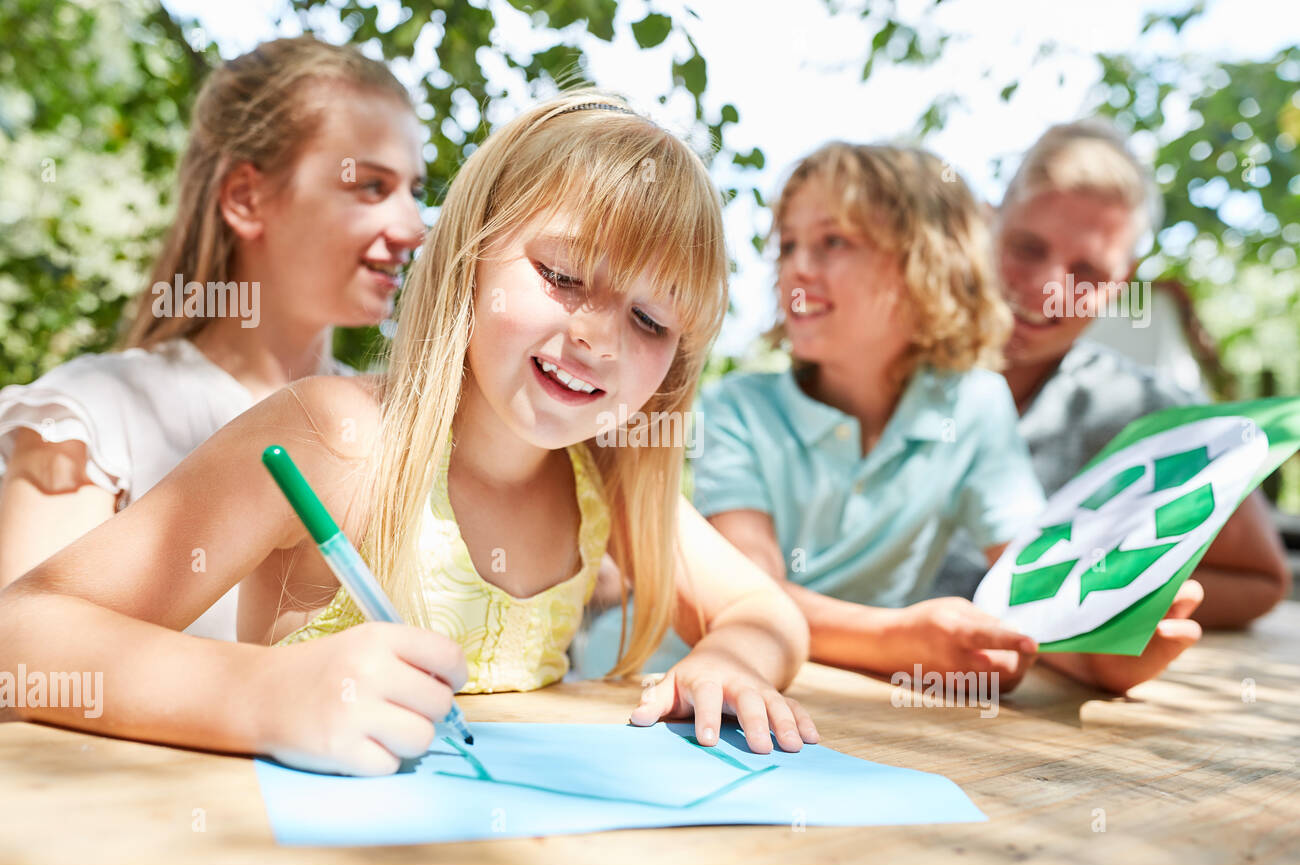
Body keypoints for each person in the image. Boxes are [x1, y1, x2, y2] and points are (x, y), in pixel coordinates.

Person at [0, 91, 818, 776]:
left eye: (648, 319)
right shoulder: (336, 437)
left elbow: (760, 606)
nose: (600, 339)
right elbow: (21, 637)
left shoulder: (604, 480)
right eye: (563, 276)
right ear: (468, 255)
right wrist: (260, 695)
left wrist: (731, 659)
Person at [692, 141, 1204, 695]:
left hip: (837, 706)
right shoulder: (736, 407)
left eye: (832, 241)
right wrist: (894, 638)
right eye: (788, 244)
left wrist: (1104, 645)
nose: (797, 266)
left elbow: (1032, 581)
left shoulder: (974, 406)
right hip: (690, 689)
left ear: (925, 265)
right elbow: (745, 594)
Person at [0, 36, 426, 640]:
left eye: (416, 190)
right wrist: (279, 692)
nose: (413, 227)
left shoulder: (399, 426)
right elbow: (16, 674)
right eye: (371, 187)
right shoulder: (87, 416)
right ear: (247, 199)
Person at [930, 120, 1290, 640]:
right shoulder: (884, 367)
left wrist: (1082, 597)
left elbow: (1259, 581)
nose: (1049, 288)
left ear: (1123, 281)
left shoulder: (1146, 410)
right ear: (987, 226)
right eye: (1028, 248)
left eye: (1087, 273)